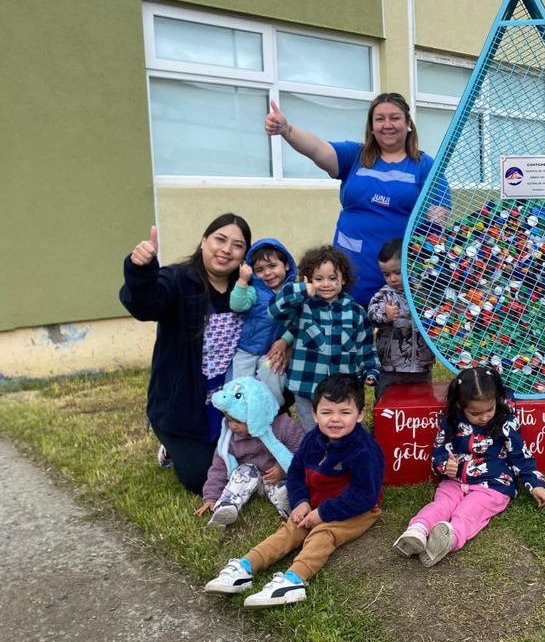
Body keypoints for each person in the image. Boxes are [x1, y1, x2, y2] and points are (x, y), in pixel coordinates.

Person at [204, 374, 383, 608]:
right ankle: (245, 567)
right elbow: (296, 472)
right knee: (290, 529)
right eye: (327, 413)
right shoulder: (312, 440)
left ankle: (293, 580)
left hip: (356, 509)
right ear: (315, 414)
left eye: (345, 413)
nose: (335, 420)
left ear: (360, 415)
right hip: (315, 504)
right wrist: (300, 502)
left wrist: (322, 514)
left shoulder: (364, 450)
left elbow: (364, 494)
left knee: (323, 534)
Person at [264, 93, 451, 307]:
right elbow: (317, 149)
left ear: (408, 123)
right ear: (371, 126)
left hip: (396, 281)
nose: (387, 124)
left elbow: (438, 214)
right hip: (346, 277)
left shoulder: (425, 165)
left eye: (395, 118)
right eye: (379, 119)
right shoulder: (356, 156)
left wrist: (430, 246)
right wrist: (287, 130)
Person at [120, 214, 252, 493]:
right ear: (204, 241)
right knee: (202, 478)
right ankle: (170, 447)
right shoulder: (178, 279)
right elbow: (146, 305)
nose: (227, 249)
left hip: (225, 398)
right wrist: (140, 271)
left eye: (237, 245)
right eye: (220, 239)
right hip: (181, 405)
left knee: (243, 460)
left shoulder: (245, 290)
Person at [392, 367, 545, 567]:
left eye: (489, 409)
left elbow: (521, 455)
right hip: (456, 480)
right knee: (441, 505)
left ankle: (449, 539)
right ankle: (417, 530)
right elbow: (439, 451)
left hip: (493, 484)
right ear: (460, 406)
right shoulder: (451, 422)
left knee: (469, 511)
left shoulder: (505, 423)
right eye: (475, 413)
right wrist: (444, 467)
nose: (484, 417)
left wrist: (535, 483)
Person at [268, 246, 380, 434]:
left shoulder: (356, 312)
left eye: (332, 278)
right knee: (312, 434)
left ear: (343, 279)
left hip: (344, 391)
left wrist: (371, 370)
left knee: (344, 434)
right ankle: (315, 461)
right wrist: (303, 290)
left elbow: (365, 346)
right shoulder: (301, 308)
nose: (325, 284)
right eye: (318, 279)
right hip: (307, 387)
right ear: (308, 279)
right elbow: (275, 309)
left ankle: (344, 461)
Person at [198, 376, 305, 529]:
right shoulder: (230, 438)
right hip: (249, 480)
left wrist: (281, 470)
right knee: (244, 471)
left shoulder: (282, 426)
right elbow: (219, 467)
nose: (233, 426)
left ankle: (287, 502)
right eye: (229, 420)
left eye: (238, 421)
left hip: (273, 477)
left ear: (257, 414)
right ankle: (227, 505)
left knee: (282, 488)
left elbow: (299, 448)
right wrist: (211, 496)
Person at [229, 238, 297, 408]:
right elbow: (237, 305)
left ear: (286, 265)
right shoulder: (254, 291)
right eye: (259, 270)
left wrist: (286, 340)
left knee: (272, 373)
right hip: (247, 349)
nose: (267, 273)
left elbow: (298, 322)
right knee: (240, 383)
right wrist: (242, 281)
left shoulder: (293, 293)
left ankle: (272, 409)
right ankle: (242, 412)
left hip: (271, 352)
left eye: (272, 266)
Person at [366, 237, 435, 401]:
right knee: (386, 401)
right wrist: (385, 314)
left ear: (410, 266)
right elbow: (371, 313)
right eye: (387, 274)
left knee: (421, 401)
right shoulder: (384, 294)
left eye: (398, 272)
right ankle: (382, 426)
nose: (393, 279)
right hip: (391, 366)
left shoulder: (423, 294)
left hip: (421, 365)